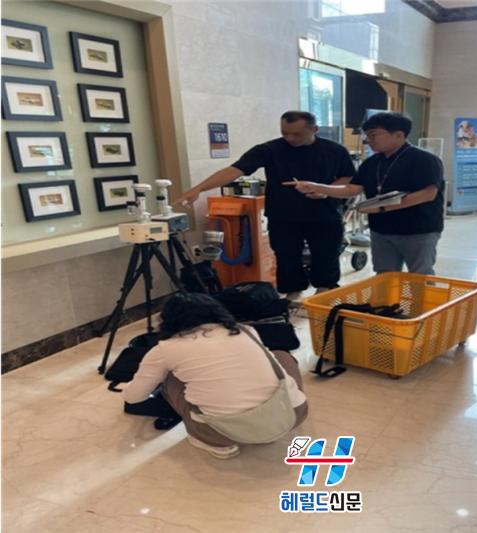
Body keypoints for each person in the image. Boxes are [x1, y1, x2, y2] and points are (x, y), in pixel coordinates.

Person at [173, 111, 356, 299]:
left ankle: (324, 292)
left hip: (324, 213)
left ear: (314, 129)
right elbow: (234, 170)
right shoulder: (270, 149)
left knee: (326, 254)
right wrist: (199, 188)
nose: (289, 138)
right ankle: (293, 294)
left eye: (297, 134)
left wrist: (325, 191)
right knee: (285, 256)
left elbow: (348, 177)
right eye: (285, 133)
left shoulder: (335, 150)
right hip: (283, 215)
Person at [122, 292, 308, 459]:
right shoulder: (245, 330)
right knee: (281, 355)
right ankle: (270, 427)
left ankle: (216, 444)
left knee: (170, 378)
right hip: (294, 413)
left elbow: (133, 397)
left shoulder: (165, 349)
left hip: (221, 432)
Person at [285, 112, 444, 275]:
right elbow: (351, 189)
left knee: (419, 274)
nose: (367, 140)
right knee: (384, 274)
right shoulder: (372, 162)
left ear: (398, 135)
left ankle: (418, 294)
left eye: (373, 135)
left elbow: (427, 194)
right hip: (381, 229)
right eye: (367, 135)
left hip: (418, 229)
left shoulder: (425, 159)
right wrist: (317, 187)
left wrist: (381, 208)